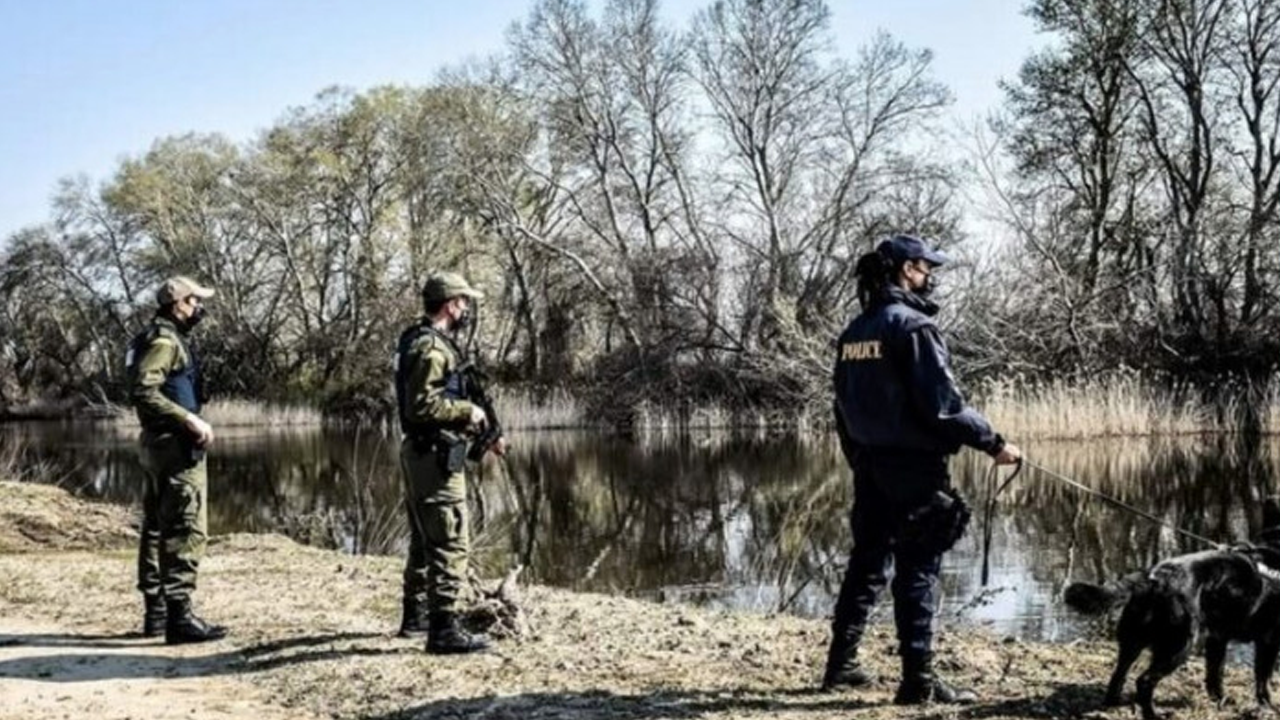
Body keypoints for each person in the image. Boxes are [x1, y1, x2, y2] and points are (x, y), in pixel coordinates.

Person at [823, 235, 1021, 704]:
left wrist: (861, 460)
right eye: (925, 266)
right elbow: (944, 407)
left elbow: (842, 409)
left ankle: (840, 666)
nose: (930, 274)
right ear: (906, 269)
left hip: (870, 467)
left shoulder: (854, 333)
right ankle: (918, 682)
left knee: (866, 566)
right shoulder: (913, 328)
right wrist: (994, 443)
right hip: (914, 469)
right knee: (918, 568)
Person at [393, 270, 506, 654]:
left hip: (422, 454)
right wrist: (467, 411)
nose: (467, 309)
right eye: (464, 302)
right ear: (451, 304)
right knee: (450, 540)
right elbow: (422, 405)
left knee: (424, 540)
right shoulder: (431, 348)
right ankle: (443, 630)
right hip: (433, 457)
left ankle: (416, 617)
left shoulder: (420, 340)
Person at [126, 275, 227, 644]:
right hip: (174, 447)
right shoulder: (165, 341)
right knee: (186, 527)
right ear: (178, 304)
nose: (199, 307)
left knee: (155, 527)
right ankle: (179, 619)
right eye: (195, 300)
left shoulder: (150, 337)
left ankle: (157, 613)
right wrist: (189, 418)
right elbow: (144, 390)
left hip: (157, 444)